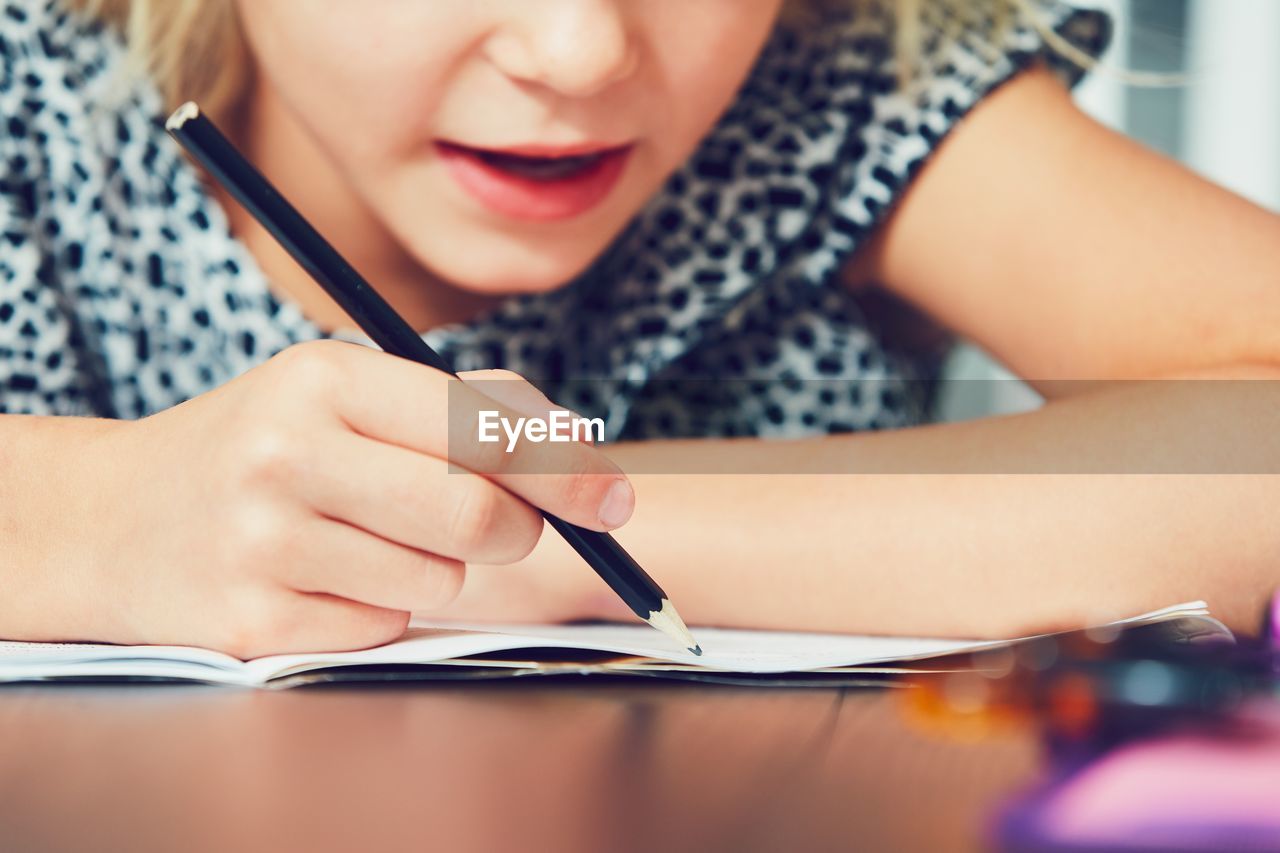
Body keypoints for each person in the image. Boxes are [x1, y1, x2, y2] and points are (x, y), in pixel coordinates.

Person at [1, 0, 1276, 657]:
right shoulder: (29, 88)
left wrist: (524, 530)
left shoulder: (832, 83)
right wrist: (92, 510)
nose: (579, 51)